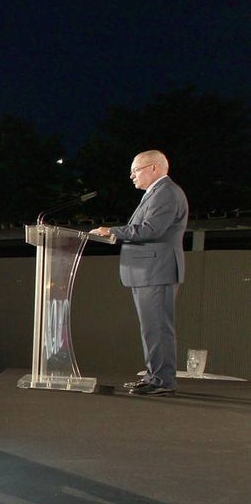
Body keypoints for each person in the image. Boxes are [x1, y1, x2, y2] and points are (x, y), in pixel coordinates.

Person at [92, 149, 188, 396]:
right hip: (148, 271)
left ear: (153, 168)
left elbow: (151, 230)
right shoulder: (155, 193)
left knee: (158, 328)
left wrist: (111, 231)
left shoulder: (166, 193)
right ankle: (153, 376)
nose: (132, 176)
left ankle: (163, 381)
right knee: (151, 328)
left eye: (135, 170)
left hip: (156, 270)